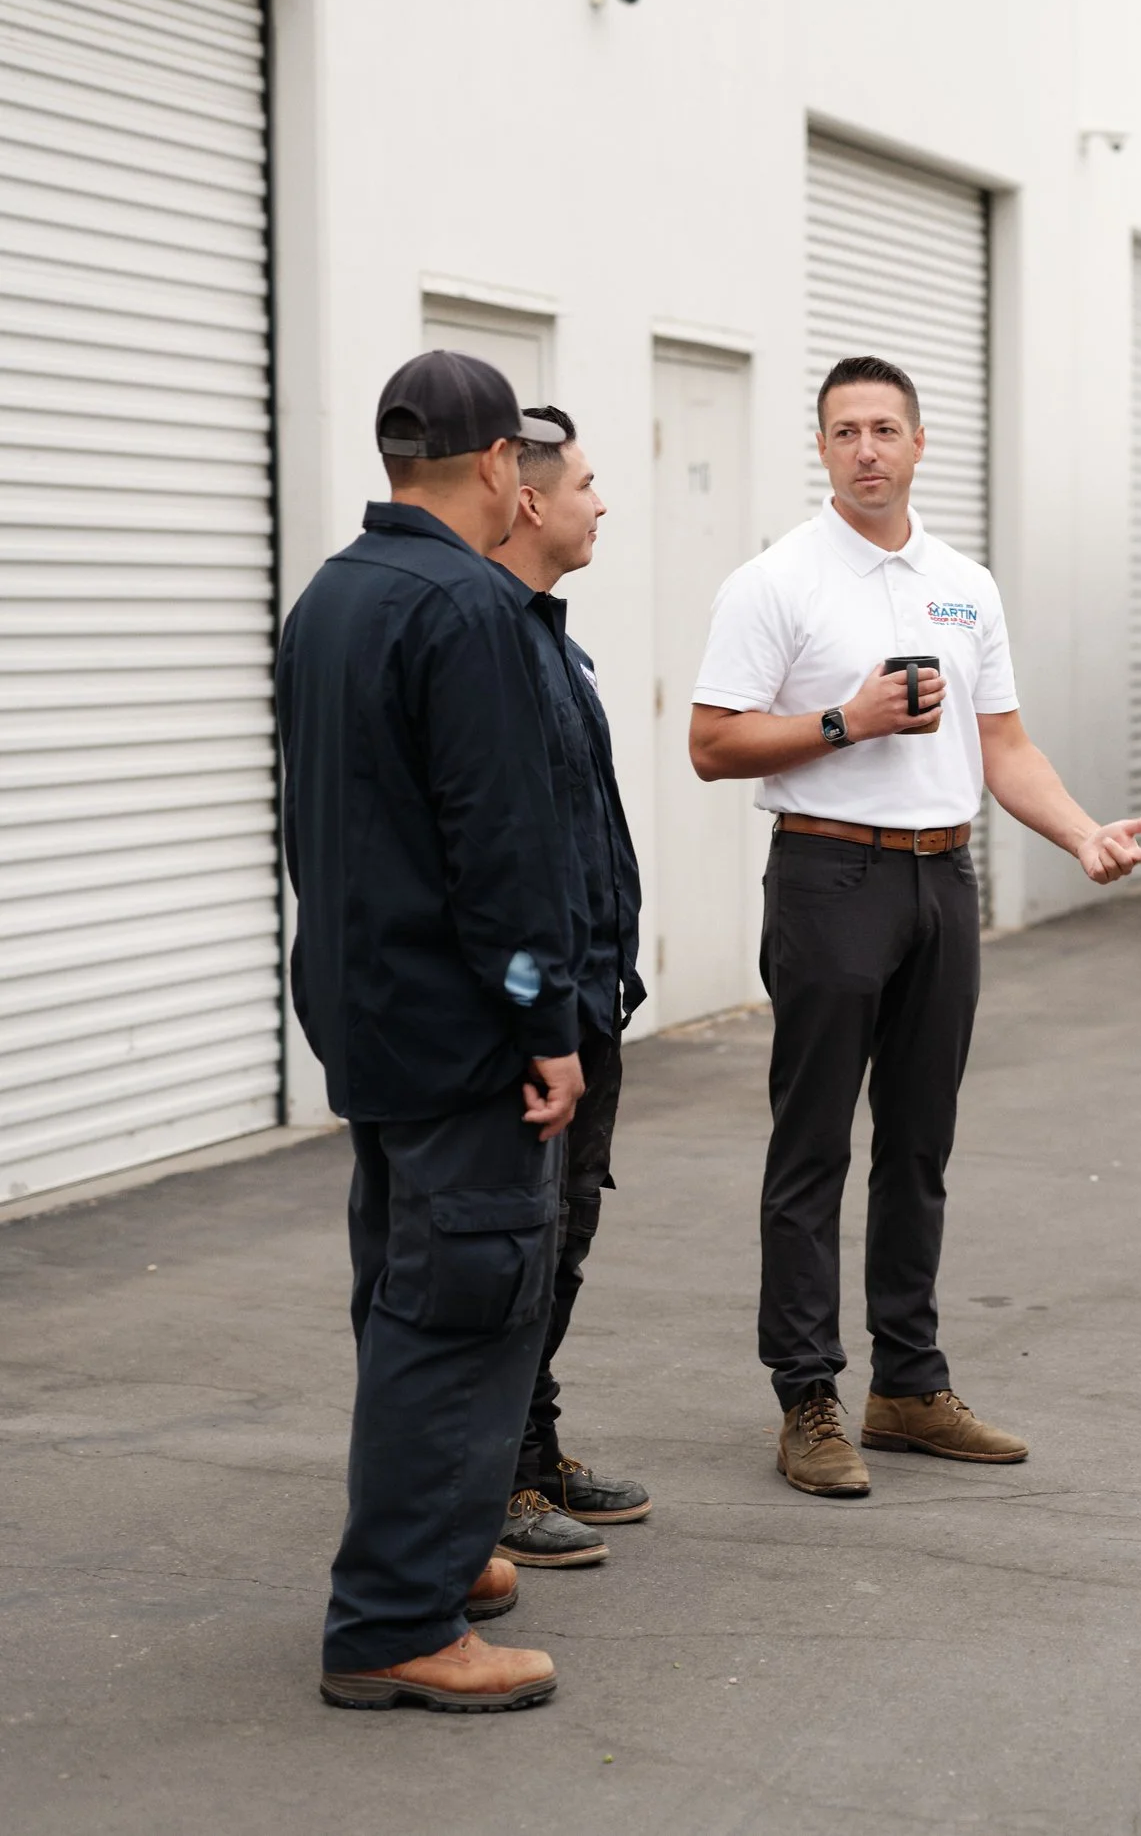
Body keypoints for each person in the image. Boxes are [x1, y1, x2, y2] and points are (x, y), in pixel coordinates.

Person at [689, 354, 1141, 1499]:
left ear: (917, 442)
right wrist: (844, 723)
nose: (865, 449)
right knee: (812, 1150)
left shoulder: (964, 584)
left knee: (917, 1147)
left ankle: (907, 1385)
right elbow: (712, 743)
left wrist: (1079, 832)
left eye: (884, 428)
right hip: (828, 876)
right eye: (844, 430)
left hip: (942, 884)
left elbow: (1002, 746)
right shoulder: (776, 581)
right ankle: (807, 1397)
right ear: (822, 448)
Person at [278, 350, 580, 1713]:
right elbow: (500, 848)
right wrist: (548, 1022)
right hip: (461, 1031)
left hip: (371, 1016)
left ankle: (440, 1557)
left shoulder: (333, 594)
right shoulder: (468, 608)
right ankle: (397, 1618)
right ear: (497, 466)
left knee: (406, 1297)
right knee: (461, 1314)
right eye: (530, 459)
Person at [489, 405, 653, 1570]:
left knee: (565, 1239)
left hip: (590, 1001)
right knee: (513, 1252)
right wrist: (535, 1011)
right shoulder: (490, 642)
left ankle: (533, 1452)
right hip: (535, 1019)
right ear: (533, 500)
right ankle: (490, 1484)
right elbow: (498, 858)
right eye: (589, 484)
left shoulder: (551, 635)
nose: (604, 503)